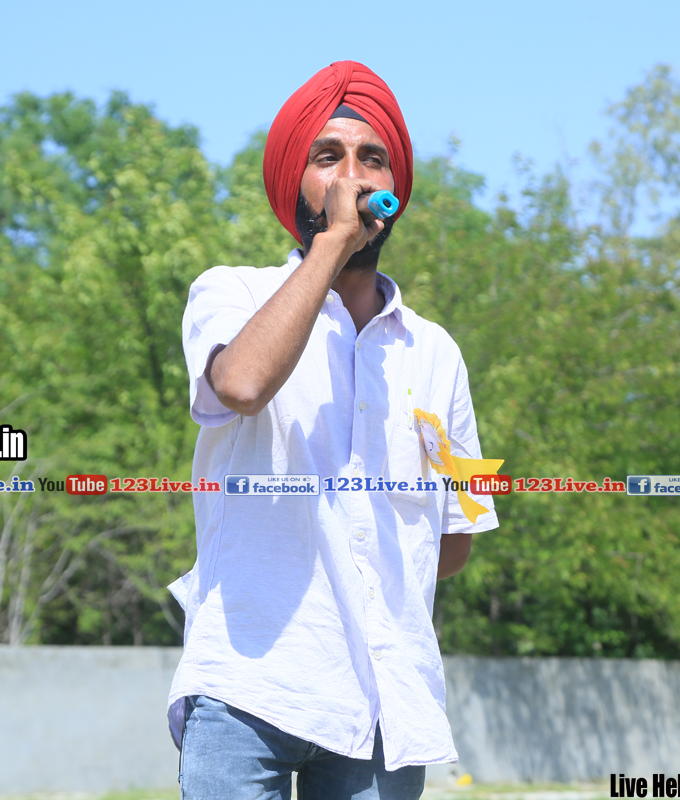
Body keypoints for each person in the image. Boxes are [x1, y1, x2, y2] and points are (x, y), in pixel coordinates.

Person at [167, 60, 498, 800]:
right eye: (328, 157)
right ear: (295, 187)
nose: (351, 176)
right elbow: (241, 385)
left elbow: (457, 537)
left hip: (385, 705)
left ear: (395, 189)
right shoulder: (231, 291)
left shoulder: (438, 352)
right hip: (246, 685)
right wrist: (332, 244)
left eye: (371, 158)